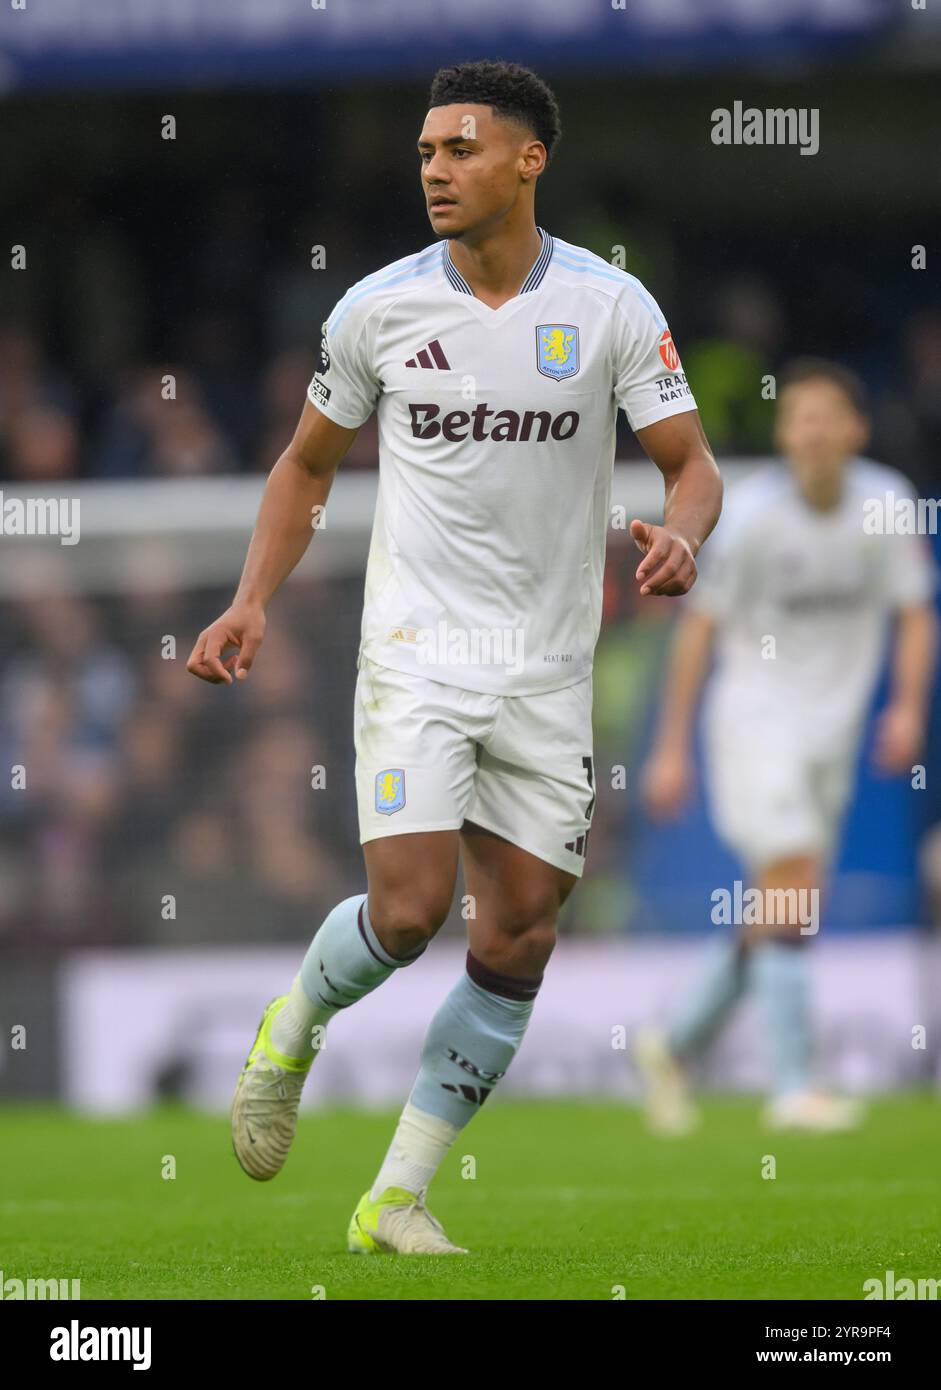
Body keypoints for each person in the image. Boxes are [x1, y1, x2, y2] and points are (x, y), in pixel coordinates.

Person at [187, 60, 721, 1253]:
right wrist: (249, 601)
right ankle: (293, 1026)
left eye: (460, 148)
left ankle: (394, 1196)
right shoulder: (376, 307)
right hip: (419, 651)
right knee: (412, 906)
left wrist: (680, 538)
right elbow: (305, 465)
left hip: (548, 667)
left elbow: (691, 465)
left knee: (519, 924)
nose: (434, 168)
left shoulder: (608, 306)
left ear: (529, 160)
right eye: (426, 150)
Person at [637, 358, 938, 1133]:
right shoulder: (752, 518)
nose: (808, 430)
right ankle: (793, 1087)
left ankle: (671, 1045)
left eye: (823, 415)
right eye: (796, 416)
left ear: (853, 429)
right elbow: (696, 632)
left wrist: (905, 707)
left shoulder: (887, 504)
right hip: (752, 720)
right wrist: (670, 748)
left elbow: (912, 612)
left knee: (785, 907)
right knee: (793, 881)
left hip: (830, 739)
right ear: (782, 432)